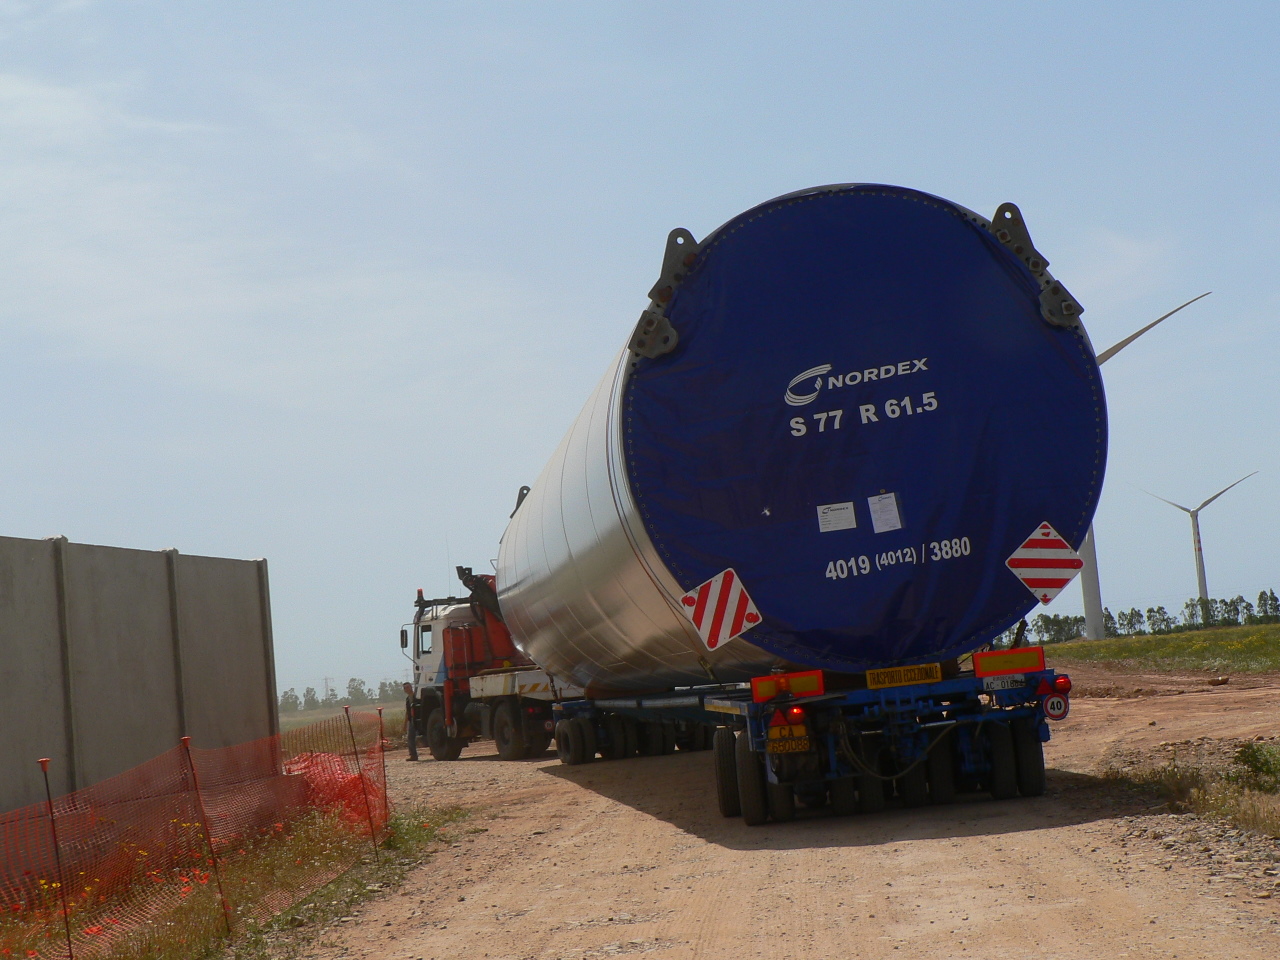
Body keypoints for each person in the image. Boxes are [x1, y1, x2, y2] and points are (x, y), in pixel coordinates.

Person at [403, 682, 421, 761]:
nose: (406, 689)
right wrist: (405, 724)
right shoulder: (408, 699)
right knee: (410, 737)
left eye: (407, 687)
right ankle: (413, 755)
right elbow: (408, 712)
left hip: (418, 718)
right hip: (412, 720)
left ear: (411, 687)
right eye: (405, 688)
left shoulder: (417, 696)